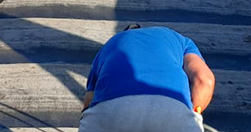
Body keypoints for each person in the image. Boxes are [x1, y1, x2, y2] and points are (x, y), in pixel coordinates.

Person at [79, 25, 215, 132]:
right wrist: (192, 115)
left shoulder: (110, 44)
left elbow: (89, 98)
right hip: (173, 110)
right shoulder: (180, 40)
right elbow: (204, 80)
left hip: (111, 111)